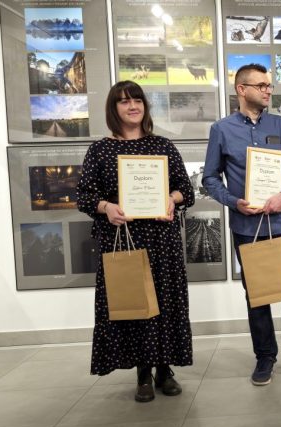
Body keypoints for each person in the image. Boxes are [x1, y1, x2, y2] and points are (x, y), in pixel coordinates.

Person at [202, 63, 281, 386]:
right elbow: (209, 178)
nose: (268, 90)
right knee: (258, 294)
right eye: (261, 86)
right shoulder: (222, 129)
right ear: (241, 90)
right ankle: (265, 357)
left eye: (269, 85)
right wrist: (234, 201)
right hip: (247, 226)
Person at [77, 80, 195, 403]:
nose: (133, 106)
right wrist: (106, 207)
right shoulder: (100, 150)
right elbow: (84, 196)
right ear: (113, 109)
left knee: (166, 304)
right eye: (124, 101)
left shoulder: (163, 146)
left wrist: (171, 199)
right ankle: (143, 372)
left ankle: (164, 369)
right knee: (134, 305)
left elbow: (186, 190)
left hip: (162, 240)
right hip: (123, 239)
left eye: (138, 100)